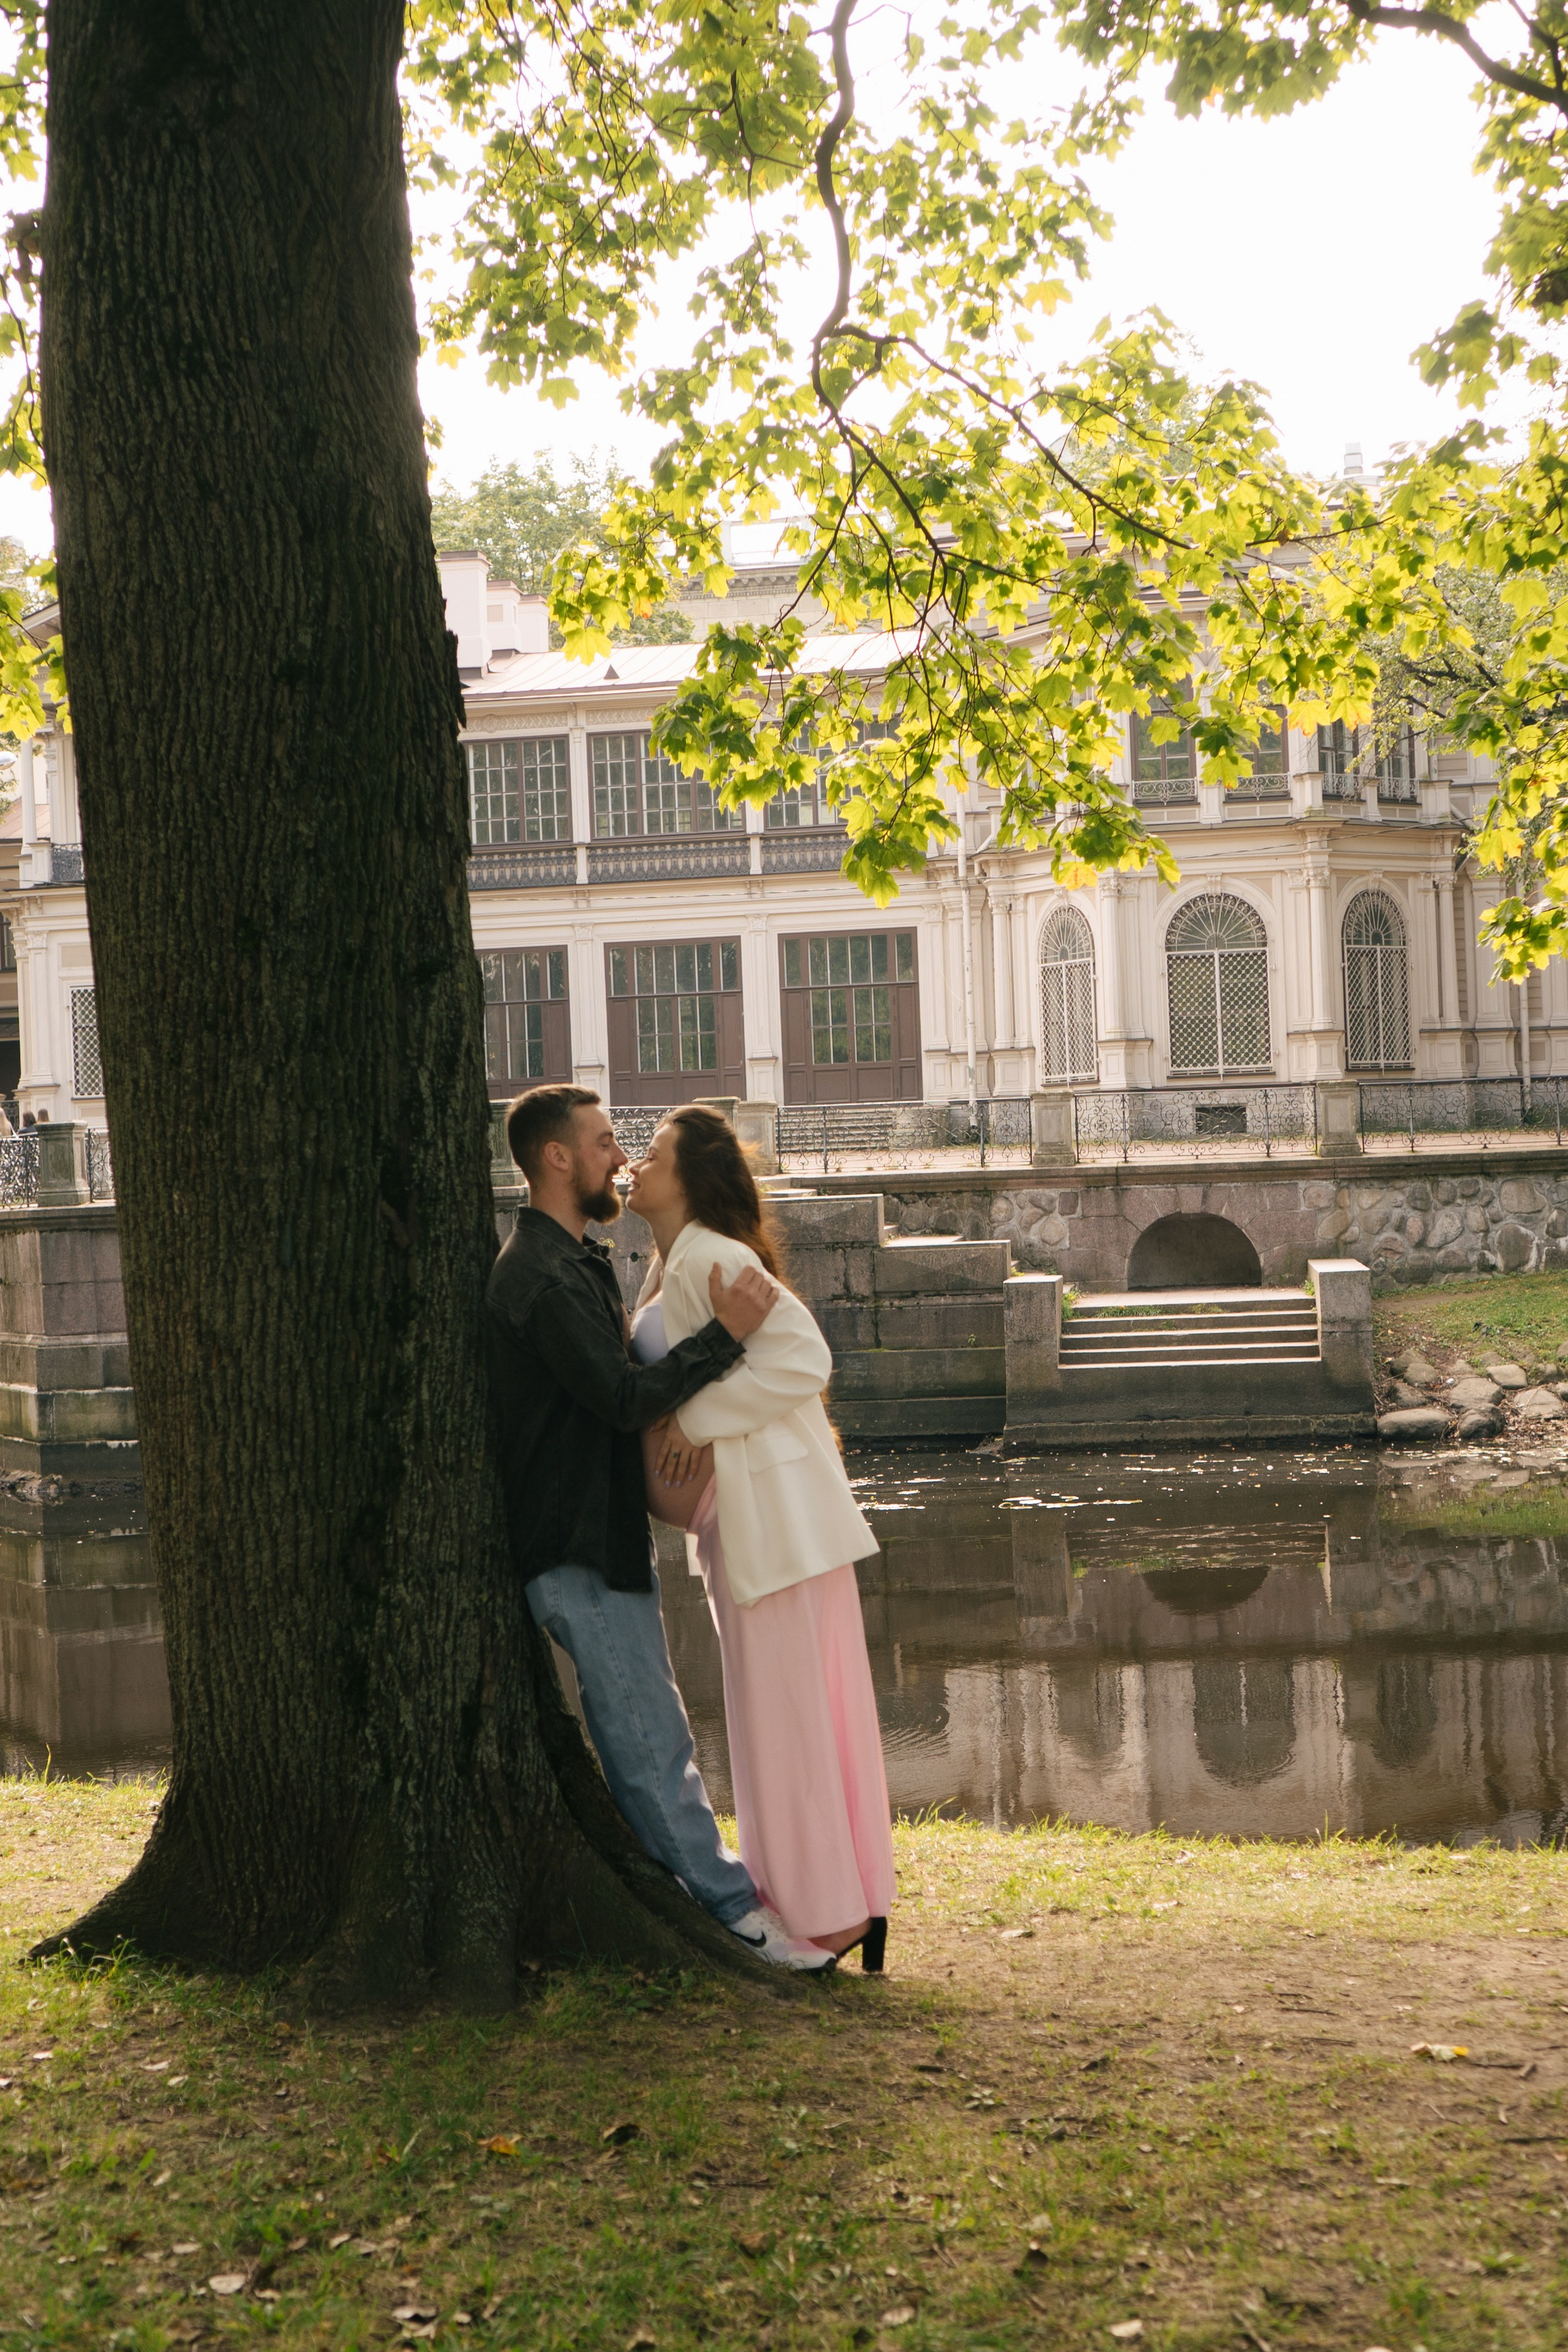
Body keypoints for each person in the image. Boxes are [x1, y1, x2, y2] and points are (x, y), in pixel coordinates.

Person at [484, 1083, 835, 1973]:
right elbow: (621, 1397)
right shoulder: (537, 1273)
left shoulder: (577, 1260)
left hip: (602, 1541)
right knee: (650, 1741)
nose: (621, 1157)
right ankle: (736, 1920)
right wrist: (724, 1336)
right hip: (574, 1546)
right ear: (558, 1158)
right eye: (605, 1142)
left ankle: (704, 1901)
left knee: (654, 1730)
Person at [627, 1106, 897, 1971]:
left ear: (690, 1176)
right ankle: (841, 1901)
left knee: (785, 1721)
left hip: (767, 1524)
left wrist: (695, 1423)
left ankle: (824, 1914)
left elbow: (802, 1359)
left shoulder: (712, 1256)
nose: (636, 1164)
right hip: (745, 1527)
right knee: (795, 1715)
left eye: (654, 1153)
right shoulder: (676, 1260)